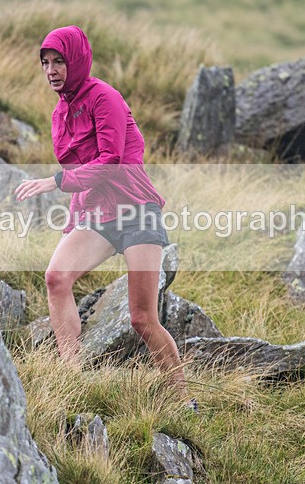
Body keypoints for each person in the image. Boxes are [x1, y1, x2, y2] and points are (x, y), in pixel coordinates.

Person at [14, 25, 188, 399]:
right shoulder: (59, 114)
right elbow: (83, 170)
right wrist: (75, 218)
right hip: (98, 215)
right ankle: (71, 381)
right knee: (56, 278)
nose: (50, 70)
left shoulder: (103, 97)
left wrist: (55, 182)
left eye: (58, 61)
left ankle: (182, 397)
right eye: (44, 63)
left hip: (137, 210)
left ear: (76, 59)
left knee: (142, 318)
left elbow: (110, 162)